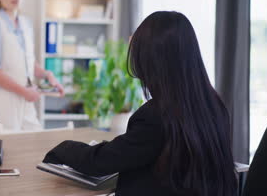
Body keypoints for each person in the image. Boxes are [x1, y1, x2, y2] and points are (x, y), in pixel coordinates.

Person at [43, 11, 237, 196]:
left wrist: (63, 148)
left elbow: (100, 162)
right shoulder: (215, 107)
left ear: (150, 62)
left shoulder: (155, 116)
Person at [0, 0, 64, 133]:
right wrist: (25, 92)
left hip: (26, 101)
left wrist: (47, 75)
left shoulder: (26, 24)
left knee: (35, 144)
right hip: (3, 102)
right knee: (9, 152)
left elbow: (27, 62)